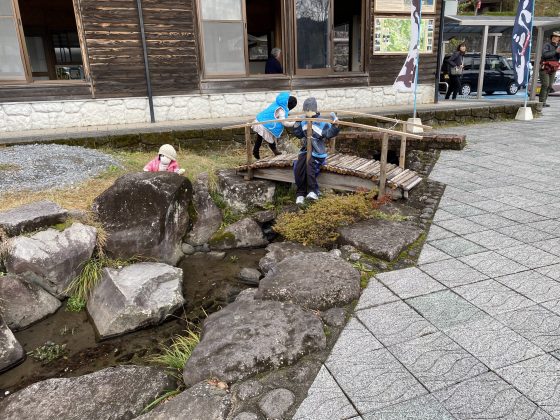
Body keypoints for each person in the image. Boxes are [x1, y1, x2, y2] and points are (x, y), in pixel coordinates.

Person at [292, 98, 340, 205]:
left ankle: (313, 191)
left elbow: (329, 134)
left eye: (307, 110)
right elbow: (299, 134)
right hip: (305, 150)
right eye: (305, 110)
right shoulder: (304, 119)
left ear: (313, 110)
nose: (306, 112)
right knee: (299, 167)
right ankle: (300, 194)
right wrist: (297, 123)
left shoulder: (322, 122)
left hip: (318, 151)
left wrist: (335, 125)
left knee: (310, 166)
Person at [252, 92, 297, 160]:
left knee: (259, 138)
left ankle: (256, 152)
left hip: (260, 119)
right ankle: (274, 151)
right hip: (264, 124)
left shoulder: (278, 103)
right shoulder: (281, 110)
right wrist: (295, 123)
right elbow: (285, 123)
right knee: (270, 139)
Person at [539, 31, 560, 108]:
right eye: (553, 36)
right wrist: (556, 51)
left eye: (557, 37)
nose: (554, 38)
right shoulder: (547, 45)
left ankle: (544, 101)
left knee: (550, 85)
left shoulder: (558, 46)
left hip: (553, 68)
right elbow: (545, 55)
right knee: (545, 84)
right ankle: (541, 102)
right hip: (545, 68)